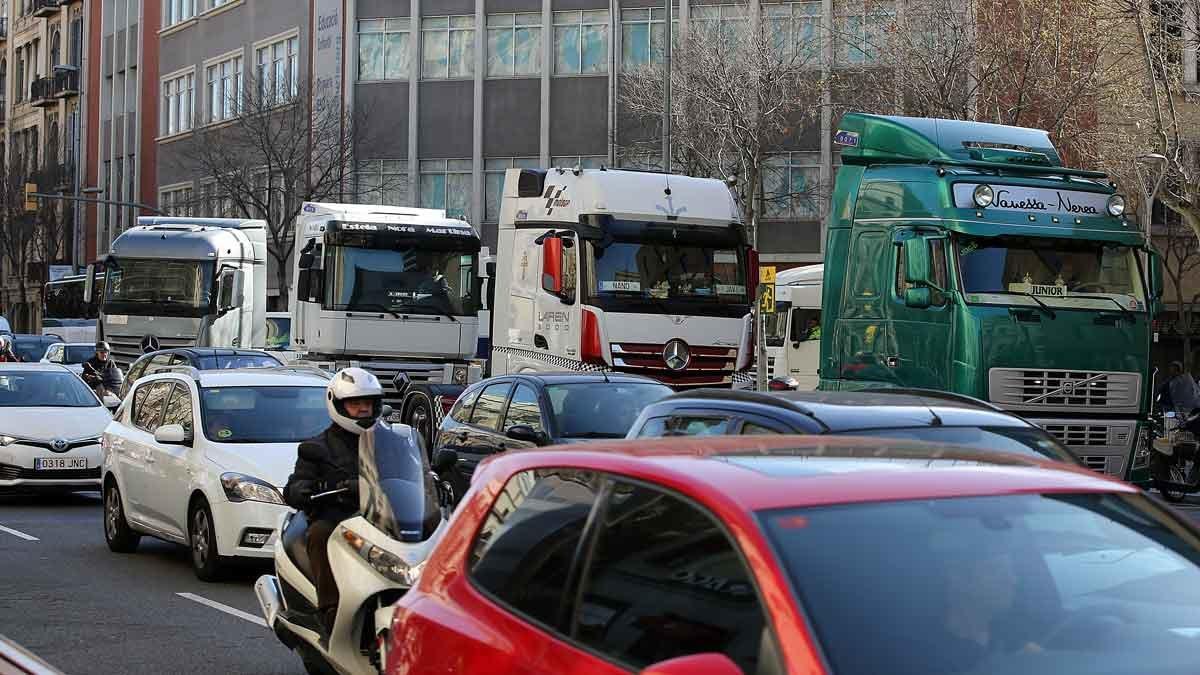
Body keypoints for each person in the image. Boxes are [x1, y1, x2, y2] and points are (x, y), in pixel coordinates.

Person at [283, 367, 384, 637]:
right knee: (320, 533)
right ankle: (330, 609)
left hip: (383, 519)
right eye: (356, 403)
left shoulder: (389, 440)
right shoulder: (318, 446)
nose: (364, 409)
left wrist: (431, 479)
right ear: (338, 405)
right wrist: (304, 489)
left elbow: (414, 471)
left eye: (368, 403)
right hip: (340, 518)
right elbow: (294, 486)